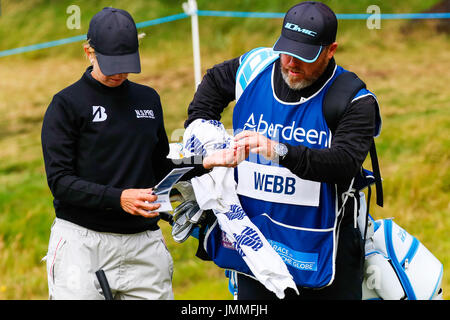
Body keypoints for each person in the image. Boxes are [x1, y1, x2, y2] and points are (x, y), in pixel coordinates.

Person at [184, 1, 381, 300]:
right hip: (257, 250)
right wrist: (205, 136)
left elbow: (343, 164)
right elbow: (212, 85)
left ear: (330, 50)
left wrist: (277, 150)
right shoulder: (255, 67)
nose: (290, 62)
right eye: (286, 51)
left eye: (304, 56)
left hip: (324, 253)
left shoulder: (355, 99)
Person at [41, 7, 237, 300]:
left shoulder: (148, 99)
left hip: (143, 245)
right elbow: (60, 181)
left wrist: (205, 162)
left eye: (127, 62)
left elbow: (159, 167)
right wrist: (119, 198)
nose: (120, 71)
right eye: (112, 63)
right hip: (82, 244)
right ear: (89, 52)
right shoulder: (66, 104)